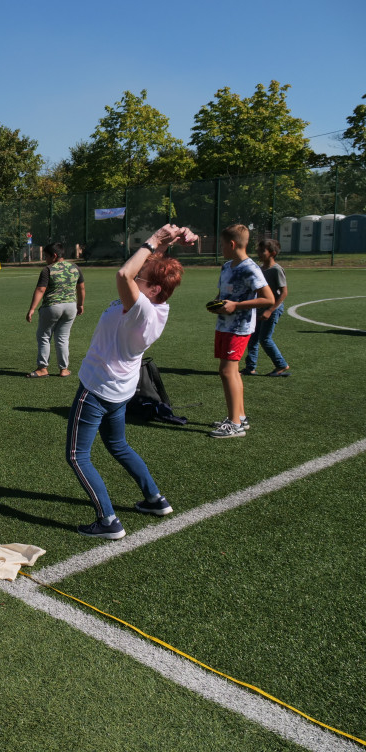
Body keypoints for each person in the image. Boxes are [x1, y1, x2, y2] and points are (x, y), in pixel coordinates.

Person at [66, 225, 197, 540]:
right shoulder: (159, 304)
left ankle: (108, 520)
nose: (137, 276)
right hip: (120, 389)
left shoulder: (140, 309)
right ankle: (154, 499)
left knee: (76, 455)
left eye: (144, 278)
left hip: (98, 388)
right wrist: (169, 241)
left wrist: (152, 241)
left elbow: (125, 274)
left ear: (152, 289)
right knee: (118, 444)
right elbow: (147, 271)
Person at [208, 224, 274, 439]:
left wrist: (236, 306)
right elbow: (224, 293)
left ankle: (234, 423)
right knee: (231, 371)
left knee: (227, 372)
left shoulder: (250, 268)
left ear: (232, 244)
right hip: (224, 325)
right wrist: (218, 304)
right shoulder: (227, 266)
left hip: (239, 327)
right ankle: (240, 417)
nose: (221, 248)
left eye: (221, 244)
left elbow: (268, 298)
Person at [26, 243, 85, 378]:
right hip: (71, 306)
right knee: (63, 338)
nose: (45, 259)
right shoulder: (75, 267)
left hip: (52, 306)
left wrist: (32, 309)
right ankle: (64, 369)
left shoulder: (48, 269)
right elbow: (81, 288)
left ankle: (42, 368)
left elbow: (41, 289)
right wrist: (80, 305)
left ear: (54, 256)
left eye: (46, 256)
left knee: (44, 337)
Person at [243, 238, 291, 378]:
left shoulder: (276, 270)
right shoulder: (259, 268)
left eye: (262, 250)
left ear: (272, 253)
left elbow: (284, 293)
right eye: (258, 249)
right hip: (259, 308)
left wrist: (270, 310)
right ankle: (250, 368)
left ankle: (281, 364)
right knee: (253, 338)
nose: (258, 252)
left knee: (265, 339)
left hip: (272, 309)